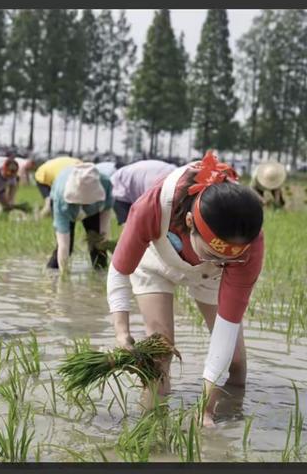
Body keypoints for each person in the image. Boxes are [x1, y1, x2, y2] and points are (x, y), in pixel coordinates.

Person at [106, 150, 264, 427]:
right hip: (157, 262)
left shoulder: (245, 252)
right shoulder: (154, 205)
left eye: (230, 257)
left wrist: (206, 410)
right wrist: (122, 331)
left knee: (236, 362)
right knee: (160, 352)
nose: (223, 260)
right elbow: (120, 270)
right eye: (215, 253)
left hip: (212, 277)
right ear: (190, 224)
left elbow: (225, 332)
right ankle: (151, 427)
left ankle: (234, 411)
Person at [48, 163, 113, 271]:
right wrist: (63, 278)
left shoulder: (106, 184)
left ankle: (100, 274)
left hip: (95, 207)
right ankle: (53, 272)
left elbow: (104, 229)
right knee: (66, 248)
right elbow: (64, 244)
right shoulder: (61, 200)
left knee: (97, 243)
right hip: (66, 205)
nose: (84, 205)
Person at [111, 160, 177, 225]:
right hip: (119, 187)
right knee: (130, 226)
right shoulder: (158, 185)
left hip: (136, 181)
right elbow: (150, 208)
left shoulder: (177, 174)